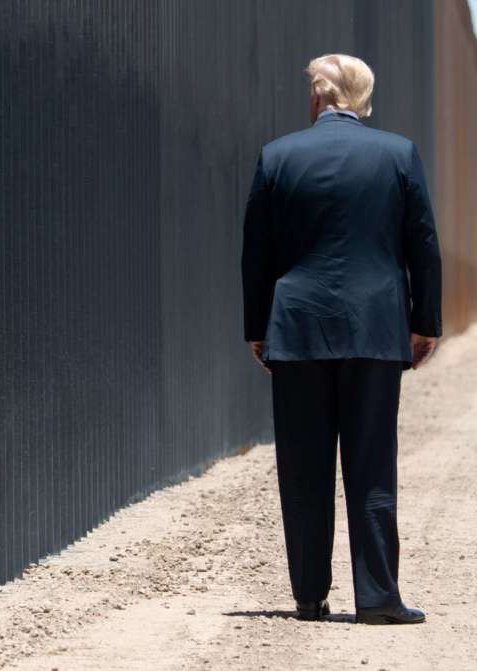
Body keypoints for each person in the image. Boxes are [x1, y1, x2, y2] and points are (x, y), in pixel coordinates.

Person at [240, 53, 442, 625]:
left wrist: (258, 330)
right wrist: (423, 321)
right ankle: (378, 597)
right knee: (372, 461)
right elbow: (421, 244)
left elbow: (256, 254)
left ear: (317, 98)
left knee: (303, 467)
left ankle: (309, 596)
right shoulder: (398, 154)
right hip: (376, 329)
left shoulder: (277, 157)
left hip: (297, 328)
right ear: (364, 98)